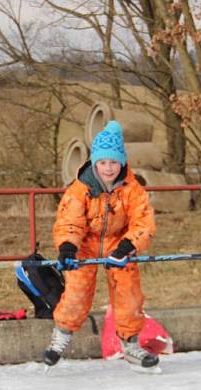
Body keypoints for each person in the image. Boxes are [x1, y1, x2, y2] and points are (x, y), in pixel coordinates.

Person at [43, 120, 159, 371]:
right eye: (103, 162)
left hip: (119, 244)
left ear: (122, 163)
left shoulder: (132, 189)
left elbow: (143, 222)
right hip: (84, 245)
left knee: (129, 294)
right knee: (76, 293)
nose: (109, 169)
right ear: (95, 162)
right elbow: (69, 222)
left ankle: (130, 345)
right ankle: (60, 337)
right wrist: (67, 248)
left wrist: (128, 245)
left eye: (114, 162)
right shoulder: (79, 189)